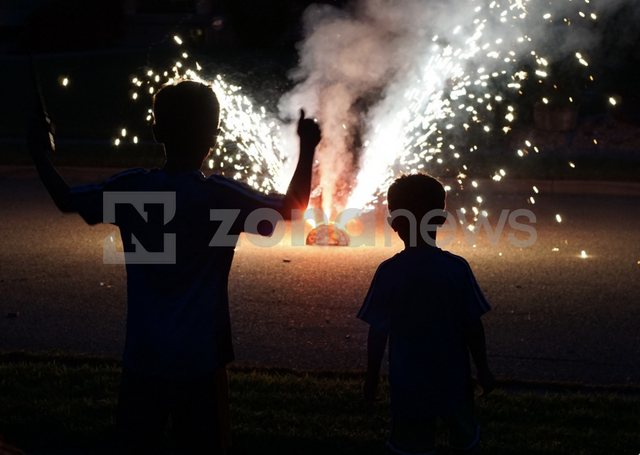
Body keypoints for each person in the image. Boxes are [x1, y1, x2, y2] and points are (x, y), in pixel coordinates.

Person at [28, 79, 321, 454]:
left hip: (143, 354)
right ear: (213, 136)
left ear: (156, 131)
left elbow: (67, 199)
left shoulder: (132, 189)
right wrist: (308, 147)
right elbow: (293, 209)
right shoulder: (220, 197)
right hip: (201, 358)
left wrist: (39, 152)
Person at [358, 173, 495, 455]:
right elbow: (472, 325)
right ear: (442, 219)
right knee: (464, 441)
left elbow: (378, 331)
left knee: (411, 447)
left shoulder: (389, 272)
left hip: (409, 384)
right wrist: (483, 369)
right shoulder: (457, 269)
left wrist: (371, 377)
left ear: (394, 223)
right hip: (454, 381)